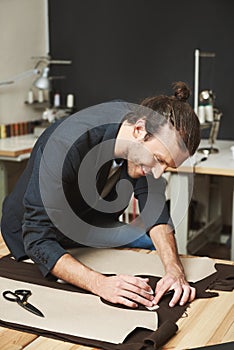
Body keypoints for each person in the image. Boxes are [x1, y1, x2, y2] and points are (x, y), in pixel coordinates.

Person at [1, 81, 200, 310]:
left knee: (162, 250)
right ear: (138, 130)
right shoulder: (65, 144)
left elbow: (154, 209)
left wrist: (174, 270)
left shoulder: (140, 134)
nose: (159, 173)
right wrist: (101, 284)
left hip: (88, 221)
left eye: (168, 166)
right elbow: (38, 238)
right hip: (33, 232)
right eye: (159, 160)